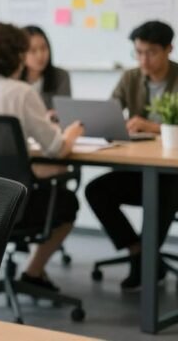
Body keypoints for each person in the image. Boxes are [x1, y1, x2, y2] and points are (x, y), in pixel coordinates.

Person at [0, 23, 83, 292]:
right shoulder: (21, 92)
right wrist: (71, 133)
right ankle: (33, 271)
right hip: (12, 207)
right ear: (16, 56)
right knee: (67, 203)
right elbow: (56, 149)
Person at [85, 20, 178, 290]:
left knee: (163, 191)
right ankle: (139, 252)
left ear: (168, 49)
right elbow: (109, 112)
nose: (143, 60)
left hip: (173, 173)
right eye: (138, 52)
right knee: (96, 191)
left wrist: (154, 127)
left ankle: (146, 264)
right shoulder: (131, 77)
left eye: (150, 52)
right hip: (138, 166)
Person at [18, 25, 71, 112]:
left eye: (43, 48)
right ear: (21, 54)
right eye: (33, 50)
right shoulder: (13, 79)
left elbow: (65, 112)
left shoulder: (61, 76)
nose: (40, 55)